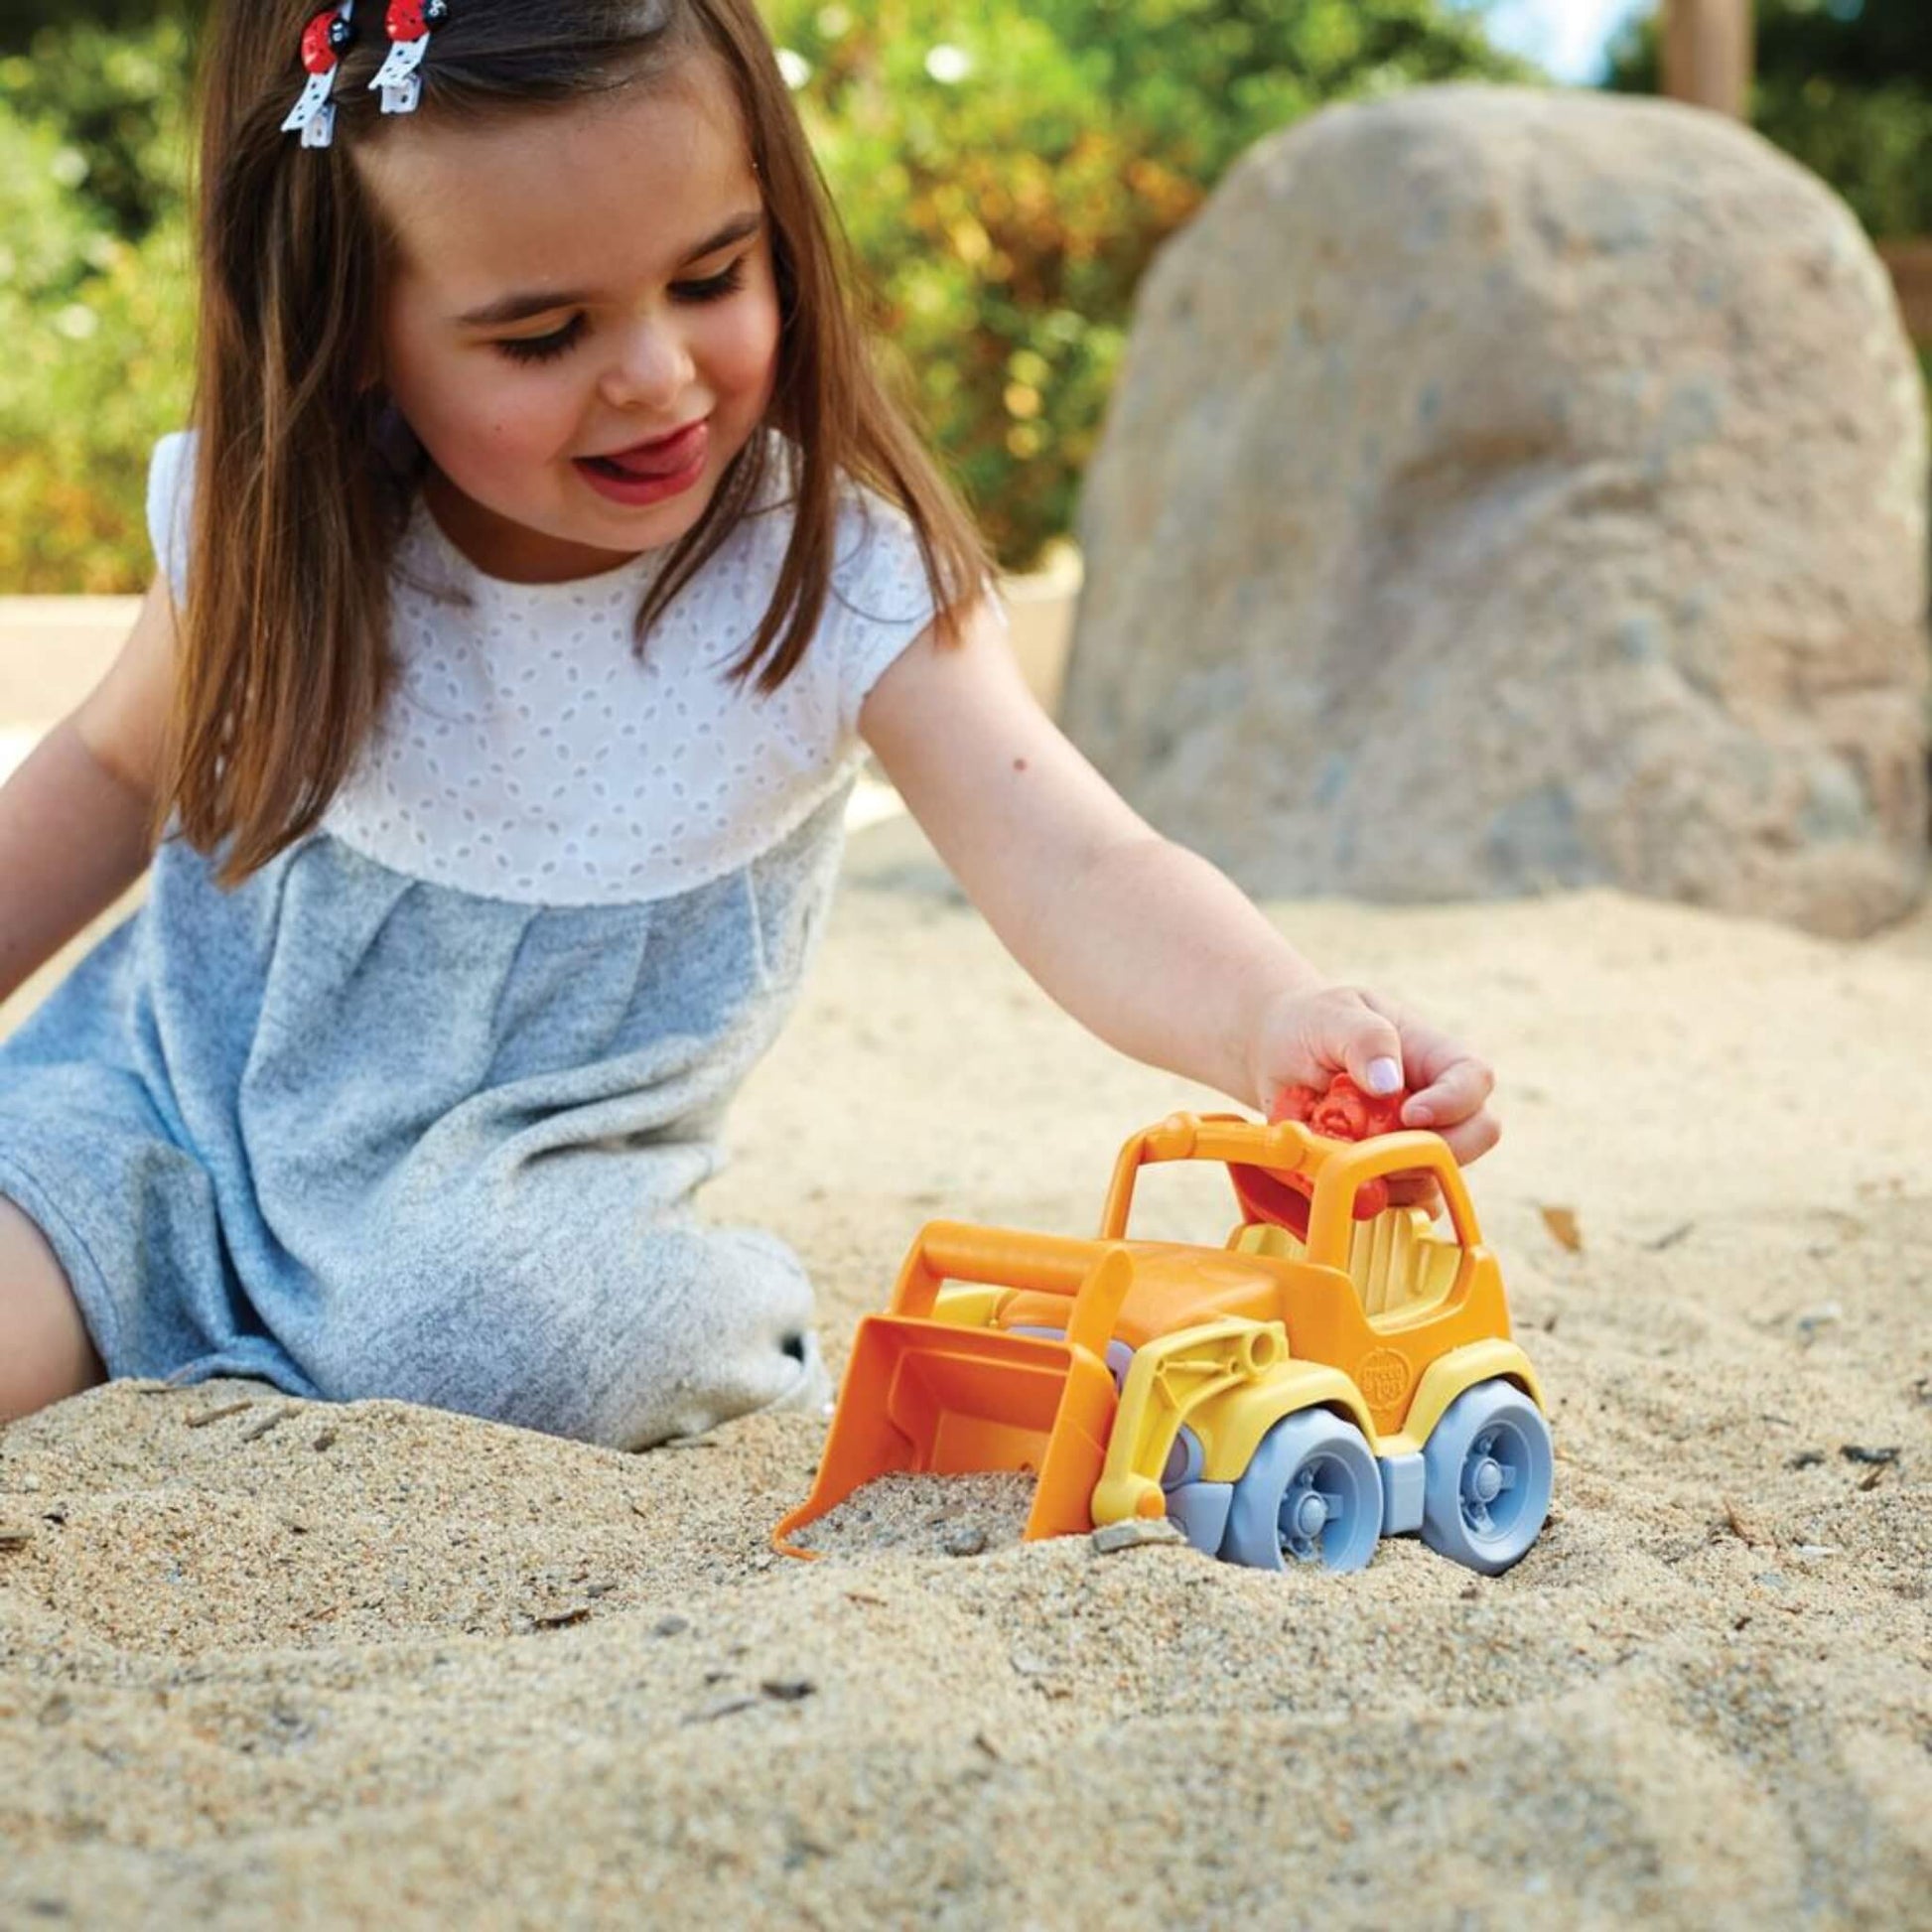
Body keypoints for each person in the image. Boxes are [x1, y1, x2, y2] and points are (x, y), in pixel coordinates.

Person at [0, 0, 1498, 1444]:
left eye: (711, 278)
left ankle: (735, 1321)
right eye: (540, 336)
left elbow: (1078, 864)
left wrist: (1266, 1018)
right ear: (354, 331)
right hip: (148, 1124)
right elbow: (106, 772)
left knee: (542, 1343)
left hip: (512, 1202)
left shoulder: (835, 581)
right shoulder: (282, 532)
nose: (657, 375)